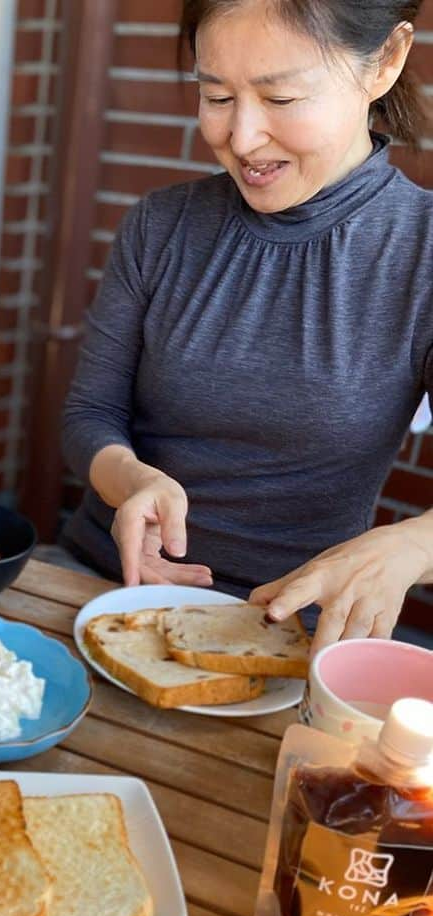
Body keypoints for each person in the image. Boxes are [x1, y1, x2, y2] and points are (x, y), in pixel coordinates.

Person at [61, 0, 433, 651]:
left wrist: (408, 545)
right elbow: (90, 413)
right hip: (102, 583)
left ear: (387, 61)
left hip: (289, 630)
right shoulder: (160, 226)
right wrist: (130, 481)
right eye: (216, 95)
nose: (242, 137)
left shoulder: (422, 251)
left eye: (281, 97)